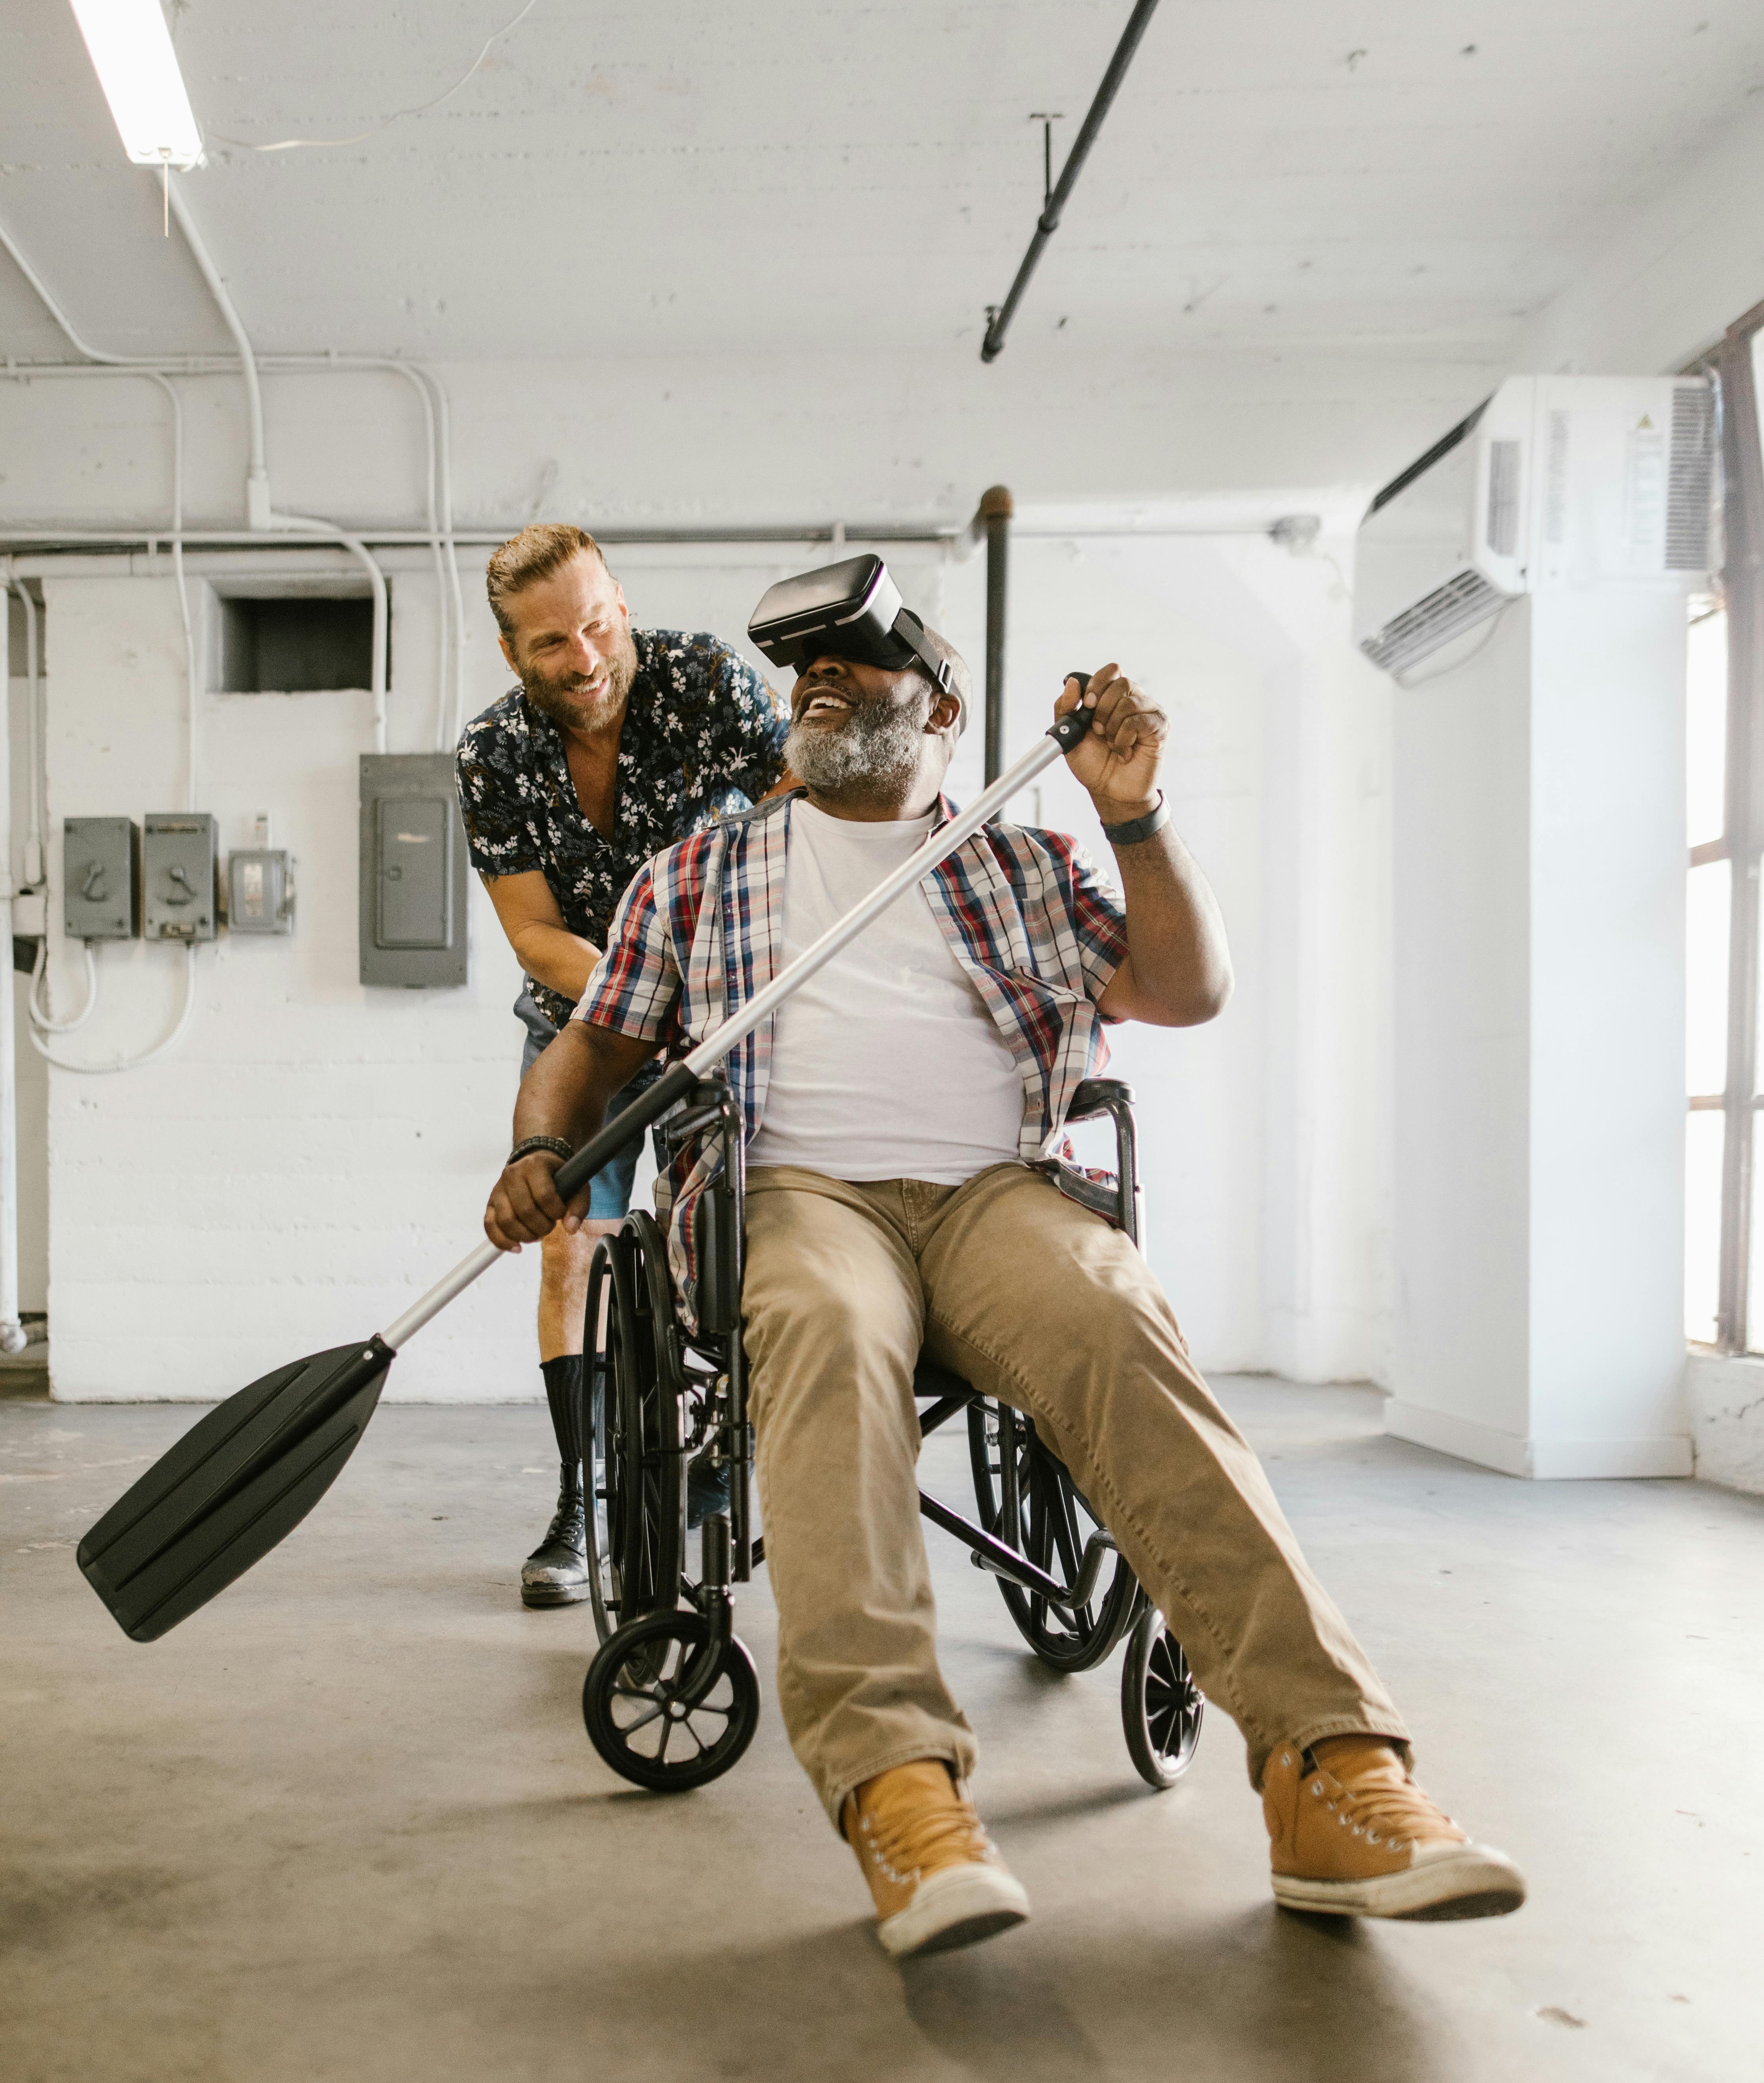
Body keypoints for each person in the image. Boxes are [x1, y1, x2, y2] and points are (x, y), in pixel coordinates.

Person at [482, 604, 1527, 1958]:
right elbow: (594, 1044)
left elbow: (1186, 989)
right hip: (797, 1194)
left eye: (860, 664)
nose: (821, 680)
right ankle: (901, 1788)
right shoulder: (701, 871)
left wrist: (1133, 817)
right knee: (826, 1326)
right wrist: (541, 1144)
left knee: (1114, 1314)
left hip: (992, 1193)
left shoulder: (1019, 859)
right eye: (806, 668)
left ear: (943, 714)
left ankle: (1331, 1772)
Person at [456, 523, 789, 1605]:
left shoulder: (707, 685)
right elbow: (532, 932)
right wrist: (630, 997)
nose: (586, 656)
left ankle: (725, 1458)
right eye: (553, 642)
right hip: (583, 1023)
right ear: (515, 655)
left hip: (717, 1023)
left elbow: (805, 820)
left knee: (738, 1246)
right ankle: (582, 1498)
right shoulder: (491, 754)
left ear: (623, 603)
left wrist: (704, 980)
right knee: (570, 1252)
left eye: (597, 622)